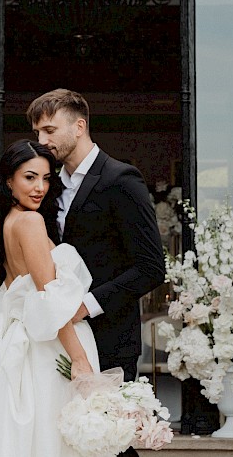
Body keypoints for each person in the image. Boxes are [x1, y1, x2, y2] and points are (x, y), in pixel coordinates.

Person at [0, 140, 101, 457]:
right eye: (30, 177)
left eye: (45, 178)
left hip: (17, 338)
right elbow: (49, 301)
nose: (40, 187)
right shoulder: (30, 222)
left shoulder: (7, 221)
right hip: (47, 345)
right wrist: (80, 359)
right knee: (50, 437)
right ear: (8, 181)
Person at [27, 88, 165, 388]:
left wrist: (84, 306)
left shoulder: (121, 180)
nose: (41, 142)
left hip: (111, 340)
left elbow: (151, 267)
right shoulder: (46, 186)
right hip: (55, 341)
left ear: (79, 127)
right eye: (37, 132)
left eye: (50, 130)